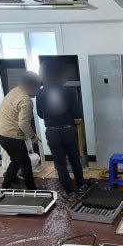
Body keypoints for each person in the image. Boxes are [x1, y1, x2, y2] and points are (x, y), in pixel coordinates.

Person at [35, 61, 86, 199]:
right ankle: (81, 186)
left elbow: (40, 114)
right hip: (68, 131)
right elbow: (77, 114)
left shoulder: (40, 93)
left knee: (60, 164)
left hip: (52, 132)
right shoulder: (68, 92)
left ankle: (69, 193)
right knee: (75, 160)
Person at [0, 71, 41, 190]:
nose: (36, 94)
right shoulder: (26, 101)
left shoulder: (15, 91)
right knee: (25, 163)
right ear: (30, 86)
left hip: (1, 134)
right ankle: (31, 188)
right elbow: (23, 123)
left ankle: (6, 185)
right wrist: (33, 137)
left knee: (16, 161)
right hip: (11, 136)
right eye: (36, 90)